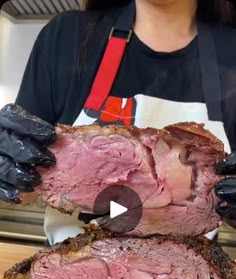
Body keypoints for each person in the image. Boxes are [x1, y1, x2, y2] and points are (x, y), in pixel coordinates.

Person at [0, 0, 236, 245]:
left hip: (181, 274)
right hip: (75, 269)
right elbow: (25, 186)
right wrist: (8, 168)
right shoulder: (68, 36)